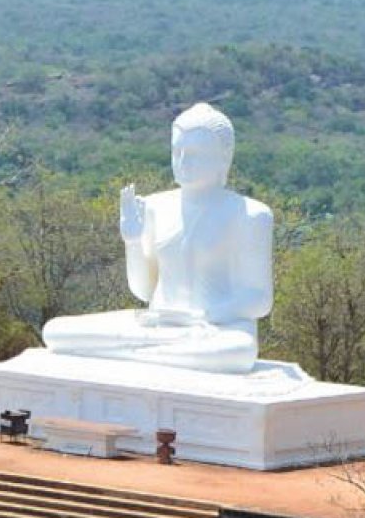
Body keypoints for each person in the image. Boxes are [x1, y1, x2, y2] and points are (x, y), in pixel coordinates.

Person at [40, 104, 274, 375]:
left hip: (215, 330)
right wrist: (133, 241)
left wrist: (205, 317)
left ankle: (136, 353)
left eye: (196, 154)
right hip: (156, 323)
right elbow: (144, 290)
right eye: (177, 152)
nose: (184, 162)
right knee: (56, 332)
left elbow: (258, 299)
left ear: (224, 158)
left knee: (235, 354)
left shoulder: (250, 214)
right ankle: (152, 353)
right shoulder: (153, 207)